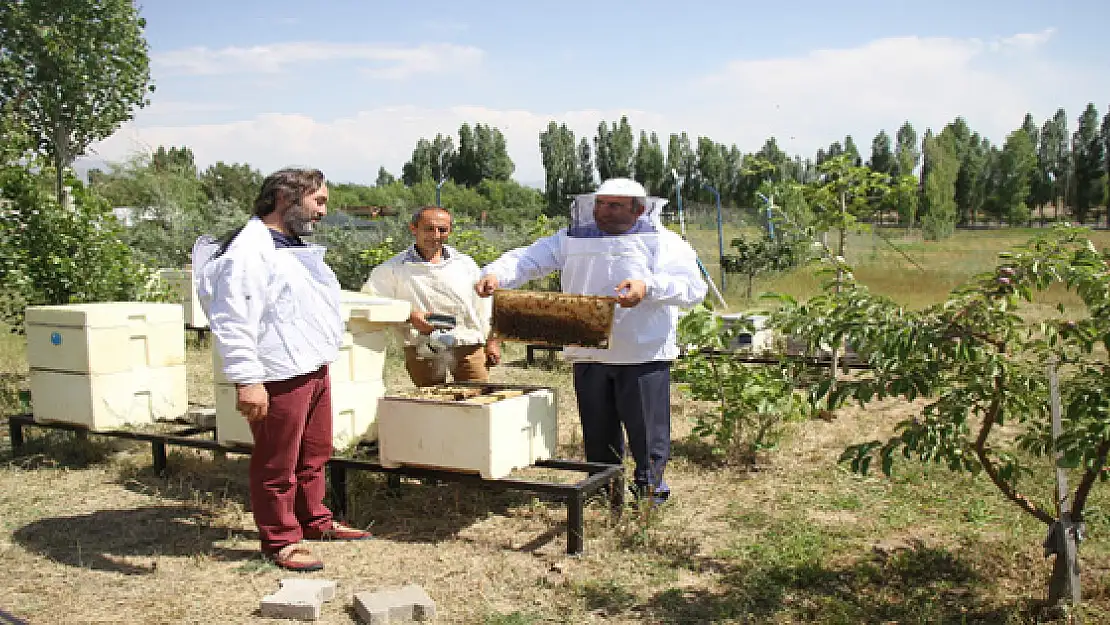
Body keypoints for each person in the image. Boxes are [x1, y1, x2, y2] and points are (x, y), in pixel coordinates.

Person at [475, 178, 707, 505]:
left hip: (641, 352)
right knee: (597, 430)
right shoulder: (572, 237)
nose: (603, 211)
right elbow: (526, 260)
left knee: (647, 433)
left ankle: (650, 491)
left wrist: (647, 287)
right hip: (587, 349)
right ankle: (601, 489)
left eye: (614, 205)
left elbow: (692, 289)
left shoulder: (664, 242)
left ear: (639, 209)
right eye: (600, 203)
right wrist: (496, 274)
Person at [193, 167, 370, 573]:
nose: (324, 211)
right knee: (277, 462)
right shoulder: (247, 252)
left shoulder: (286, 244)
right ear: (284, 198)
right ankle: (281, 539)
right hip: (276, 373)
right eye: (318, 201)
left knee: (314, 453)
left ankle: (315, 520)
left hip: (311, 365)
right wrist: (248, 381)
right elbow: (234, 320)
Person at [362, 205, 500, 387]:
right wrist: (410, 316)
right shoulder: (392, 269)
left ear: (449, 231)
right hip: (421, 346)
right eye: (428, 228)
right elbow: (373, 303)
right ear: (414, 228)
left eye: (442, 230)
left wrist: (491, 342)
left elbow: (485, 307)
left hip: (467, 343)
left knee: (475, 401)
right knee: (431, 405)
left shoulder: (465, 264)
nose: (435, 235)